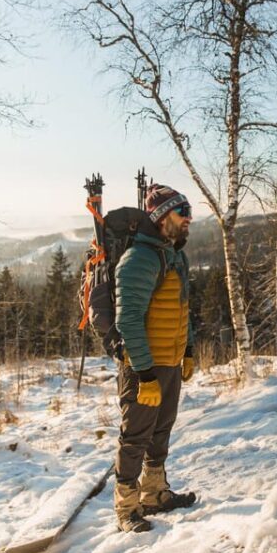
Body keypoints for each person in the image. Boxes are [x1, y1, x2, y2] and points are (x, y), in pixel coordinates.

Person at [113, 183, 198, 532]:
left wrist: (188, 350)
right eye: (183, 213)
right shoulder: (138, 260)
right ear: (163, 218)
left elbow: (182, 308)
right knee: (135, 438)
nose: (189, 220)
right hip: (143, 367)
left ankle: (154, 493)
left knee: (160, 431)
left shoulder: (174, 255)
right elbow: (127, 320)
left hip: (170, 362)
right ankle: (126, 508)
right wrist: (145, 373)